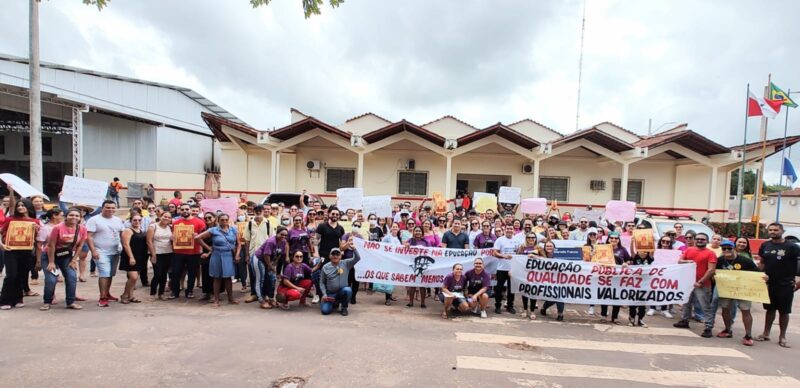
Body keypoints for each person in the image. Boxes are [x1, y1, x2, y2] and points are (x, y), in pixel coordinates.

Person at [756, 223, 799, 348]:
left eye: (776, 230)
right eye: (770, 230)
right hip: (769, 284)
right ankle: (766, 333)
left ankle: (782, 336)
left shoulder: (792, 246)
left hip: (785, 284)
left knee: (784, 312)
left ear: (782, 231)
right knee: (770, 309)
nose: (773, 232)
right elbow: (762, 263)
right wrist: (757, 276)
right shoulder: (765, 245)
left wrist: (797, 283)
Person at [713, 240, 761, 346]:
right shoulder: (720, 260)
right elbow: (714, 272)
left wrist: (764, 278)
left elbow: (757, 273)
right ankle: (727, 330)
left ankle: (748, 335)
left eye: (729, 248)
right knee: (725, 308)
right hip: (727, 288)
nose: (726, 250)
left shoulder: (745, 260)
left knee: (745, 310)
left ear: (734, 248)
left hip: (743, 289)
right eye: (724, 248)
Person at [41, 207, 87, 310]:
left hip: (66, 256)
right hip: (50, 255)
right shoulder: (57, 228)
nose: (74, 217)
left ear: (80, 218)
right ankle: (47, 302)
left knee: (71, 277)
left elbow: (80, 246)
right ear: (65, 217)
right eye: (71, 215)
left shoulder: (82, 229)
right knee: (51, 280)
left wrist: (74, 260)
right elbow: (51, 245)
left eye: (76, 216)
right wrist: (51, 262)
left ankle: (70, 302)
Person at [673, 232, 717, 338]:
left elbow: (711, 270)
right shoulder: (689, 250)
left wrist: (701, 281)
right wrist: (688, 261)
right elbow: (680, 261)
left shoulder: (710, 253)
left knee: (705, 306)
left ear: (707, 241)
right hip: (688, 282)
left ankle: (708, 327)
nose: (700, 241)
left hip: (703, 284)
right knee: (686, 303)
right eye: (698, 239)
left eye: (702, 239)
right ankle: (685, 320)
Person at [0, 198, 41, 309]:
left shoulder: (35, 221)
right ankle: (4, 300)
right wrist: (1, 245)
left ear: (28, 207)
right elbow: (1, 232)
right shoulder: (10, 219)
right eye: (19, 206)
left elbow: (38, 239)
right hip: (11, 251)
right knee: (11, 275)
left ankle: (18, 298)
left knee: (22, 275)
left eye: (23, 205)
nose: (20, 207)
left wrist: (37, 230)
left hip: (26, 251)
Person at [195, 214, 241, 308]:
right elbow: (197, 238)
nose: (224, 221)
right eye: (222, 220)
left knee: (228, 277)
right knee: (217, 277)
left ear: (228, 220)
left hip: (228, 255)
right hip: (217, 255)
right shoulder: (213, 230)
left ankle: (230, 298)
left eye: (226, 220)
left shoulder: (233, 230)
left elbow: (239, 244)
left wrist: (237, 255)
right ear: (218, 220)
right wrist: (209, 248)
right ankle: (216, 299)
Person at [86, 200, 124, 308]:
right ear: (102, 208)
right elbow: (88, 236)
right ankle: (102, 297)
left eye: (112, 208)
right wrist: (93, 251)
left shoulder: (118, 220)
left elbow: (121, 234)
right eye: (108, 207)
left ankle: (107, 293)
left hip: (115, 251)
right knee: (104, 273)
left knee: (111, 273)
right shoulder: (94, 220)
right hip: (100, 251)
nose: (110, 210)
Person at [170, 204, 206, 300]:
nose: (185, 211)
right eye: (182, 209)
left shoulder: (200, 223)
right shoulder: (176, 223)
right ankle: (175, 292)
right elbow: (173, 236)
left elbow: (205, 237)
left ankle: (189, 291)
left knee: (192, 273)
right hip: (178, 252)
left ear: (190, 210)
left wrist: (198, 236)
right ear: (179, 211)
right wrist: (172, 237)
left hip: (193, 252)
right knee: (176, 273)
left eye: (187, 209)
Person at [255, 226, 290, 309]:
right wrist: (269, 266)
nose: (283, 237)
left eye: (285, 235)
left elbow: (279, 254)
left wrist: (274, 264)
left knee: (272, 279)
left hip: (270, 261)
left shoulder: (283, 241)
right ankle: (262, 301)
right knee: (261, 279)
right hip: (259, 259)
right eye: (282, 234)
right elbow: (266, 255)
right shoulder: (271, 241)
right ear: (277, 233)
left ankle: (271, 298)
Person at [314, 208, 345, 303]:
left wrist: (342, 251)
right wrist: (316, 252)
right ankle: (319, 295)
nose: (335, 215)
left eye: (337, 214)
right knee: (320, 276)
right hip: (323, 255)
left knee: (335, 275)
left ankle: (332, 296)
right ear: (329, 214)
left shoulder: (340, 228)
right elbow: (316, 240)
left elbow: (341, 242)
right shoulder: (322, 226)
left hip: (335, 256)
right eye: (333, 213)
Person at [319, 247, 361, 316]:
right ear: (330, 256)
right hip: (330, 293)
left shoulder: (346, 263)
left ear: (341, 256)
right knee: (325, 311)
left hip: (342, 292)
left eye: (337, 254)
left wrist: (354, 249)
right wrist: (324, 294)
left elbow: (357, 258)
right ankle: (334, 303)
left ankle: (344, 307)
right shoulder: (325, 267)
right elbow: (322, 282)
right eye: (333, 254)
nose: (335, 256)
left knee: (348, 290)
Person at [243, 205, 271, 305]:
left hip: (265, 254)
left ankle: (265, 294)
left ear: (263, 211)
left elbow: (271, 239)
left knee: (266, 275)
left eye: (260, 210)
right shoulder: (250, 224)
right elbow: (246, 240)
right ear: (254, 212)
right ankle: (254, 294)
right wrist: (246, 255)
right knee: (253, 274)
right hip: (252, 253)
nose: (258, 212)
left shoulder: (268, 223)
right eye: (256, 211)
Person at [119, 214, 147, 304]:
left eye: (139, 220)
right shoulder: (128, 230)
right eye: (135, 220)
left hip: (140, 257)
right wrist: (131, 257)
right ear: (130, 221)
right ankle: (124, 295)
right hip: (130, 256)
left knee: (135, 278)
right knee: (133, 277)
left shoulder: (140, 230)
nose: (137, 222)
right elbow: (126, 245)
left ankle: (131, 296)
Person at [493, 224, 520, 315]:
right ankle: (497, 306)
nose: (509, 230)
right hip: (501, 268)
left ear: (513, 230)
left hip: (513, 269)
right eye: (507, 228)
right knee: (499, 288)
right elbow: (495, 253)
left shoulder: (517, 240)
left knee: (511, 289)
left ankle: (510, 306)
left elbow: (519, 253)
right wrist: (504, 256)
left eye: (511, 228)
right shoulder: (499, 240)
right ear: (505, 230)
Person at [624, 248, 654, 327]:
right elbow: (631, 251)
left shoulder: (649, 259)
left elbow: (652, 250)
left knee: (642, 305)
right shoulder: (635, 257)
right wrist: (633, 240)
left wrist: (651, 242)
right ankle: (632, 319)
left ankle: (640, 320)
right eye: (641, 251)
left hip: (645, 285)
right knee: (633, 304)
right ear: (638, 251)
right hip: (634, 284)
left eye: (645, 251)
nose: (643, 253)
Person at [147, 212, 173, 300]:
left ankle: (161, 293)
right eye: (165, 216)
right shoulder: (153, 226)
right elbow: (149, 241)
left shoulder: (170, 227)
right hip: (157, 253)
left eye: (169, 217)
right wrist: (153, 255)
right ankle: (152, 293)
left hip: (168, 253)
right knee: (157, 274)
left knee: (164, 274)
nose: (167, 218)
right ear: (160, 217)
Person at [538, 241, 565, 321]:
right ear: (545, 248)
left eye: (551, 246)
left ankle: (560, 314)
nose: (549, 247)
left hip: (558, 279)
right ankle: (544, 307)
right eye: (547, 246)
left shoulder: (559, 256)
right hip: (545, 280)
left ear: (554, 247)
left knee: (559, 295)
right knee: (553, 296)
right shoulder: (541, 256)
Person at [404, 226, 430, 308]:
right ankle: (411, 302)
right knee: (412, 284)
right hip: (413, 265)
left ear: (422, 233)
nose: (418, 232)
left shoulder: (425, 242)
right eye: (416, 231)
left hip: (423, 265)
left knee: (422, 285)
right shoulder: (410, 241)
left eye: (419, 231)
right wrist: (406, 244)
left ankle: (423, 302)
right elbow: (403, 247)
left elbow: (431, 251)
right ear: (413, 232)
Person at [517, 232, 540, 319]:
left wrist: (535, 257)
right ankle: (525, 309)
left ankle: (532, 311)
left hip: (535, 273)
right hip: (524, 273)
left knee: (533, 292)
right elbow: (517, 257)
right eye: (529, 237)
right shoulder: (523, 247)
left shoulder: (539, 248)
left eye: (533, 237)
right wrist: (520, 250)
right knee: (525, 291)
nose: (531, 239)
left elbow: (544, 258)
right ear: (526, 239)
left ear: (535, 239)